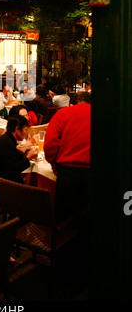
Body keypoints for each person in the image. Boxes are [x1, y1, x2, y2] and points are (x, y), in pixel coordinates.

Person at [44, 91, 91, 223]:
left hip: (67, 173)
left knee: (65, 219)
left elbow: (49, 144)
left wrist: (53, 163)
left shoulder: (63, 113)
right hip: (93, 174)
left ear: (73, 103)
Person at [0, 115, 38, 187]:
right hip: (1, 186)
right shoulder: (6, 143)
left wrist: (25, 155)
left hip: (1, 180)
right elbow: (12, 170)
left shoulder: (6, 139)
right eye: (26, 130)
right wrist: (28, 158)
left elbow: (11, 160)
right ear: (17, 129)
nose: (27, 133)